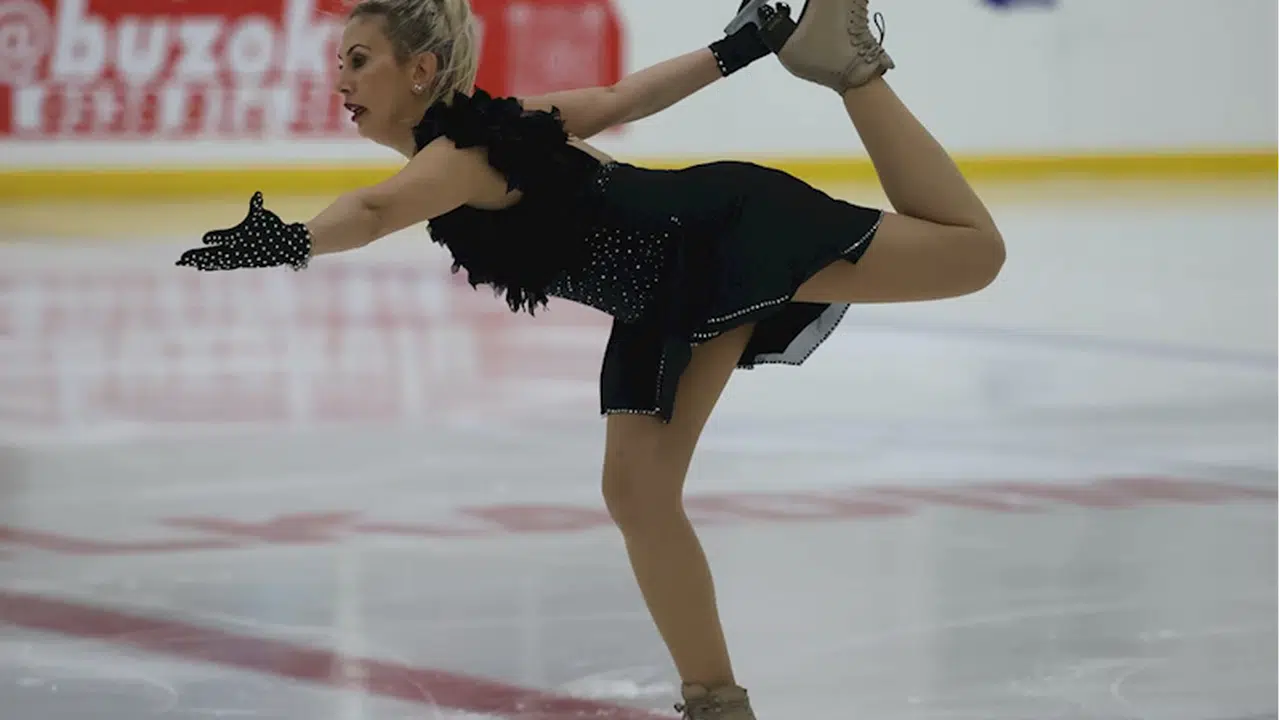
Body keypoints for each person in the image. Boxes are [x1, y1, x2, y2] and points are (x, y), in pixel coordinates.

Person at [176, 0, 1006, 716]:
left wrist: (292, 239)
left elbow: (374, 209)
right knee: (637, 492)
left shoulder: (463, 154)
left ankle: (852, 69)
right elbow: (619, 98)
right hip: (661, 299)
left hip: (718, 236)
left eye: (359, 61)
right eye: (340, 64)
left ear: (420, 69)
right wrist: (737, 48)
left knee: (973, 254)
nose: (342, 82)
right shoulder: (489, 134)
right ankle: (716, 703)